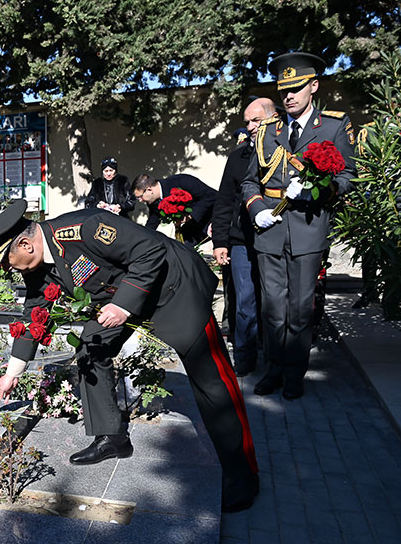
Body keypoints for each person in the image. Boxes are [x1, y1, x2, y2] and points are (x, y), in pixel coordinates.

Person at [0, 199, 259, 512]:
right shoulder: (38, 265)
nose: (7, 270)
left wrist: (122, 305)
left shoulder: (86, 228)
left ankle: (244, 475)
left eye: (7, 262)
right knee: (90, 346)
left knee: (213, 383)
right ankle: (112, 437)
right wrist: (12, 373)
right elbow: (33, 315)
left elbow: (150, 251)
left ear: (25, 243)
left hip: (173, 289)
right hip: (126, 301)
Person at [241, 52, 356, 400]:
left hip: (309, 227)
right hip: (270, 229)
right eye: (283, 89)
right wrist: (257, 208)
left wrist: (315, 188)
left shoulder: (333, 126)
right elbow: (249, 182)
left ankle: (294, 373)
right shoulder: (268, 132)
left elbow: (348, 176)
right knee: (272, 307)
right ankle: (273, 369)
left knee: (301, 309)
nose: (288, 96)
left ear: (313, 86)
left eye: (296, 88)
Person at [212, 98, 279, 376]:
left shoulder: (285, 150)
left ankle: (276, 360)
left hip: (276, 238)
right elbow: (225, 200)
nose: (250, 126)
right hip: (242, 241)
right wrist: (220, 241)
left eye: (256, 120)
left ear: (273, 118)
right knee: (245, 303)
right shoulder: (237, 156)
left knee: (275, 303)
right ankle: (244, 359)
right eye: (247, 121)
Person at [132, 173, 217, 244]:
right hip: (190, 230)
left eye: (140, 197)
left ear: (149, 190)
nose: (140, 200)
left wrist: (190, 216)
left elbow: (210, 196)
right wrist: (142, 238)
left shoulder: (181, 181)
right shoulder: (153, 201)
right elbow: (153, 220)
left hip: (213, 218)